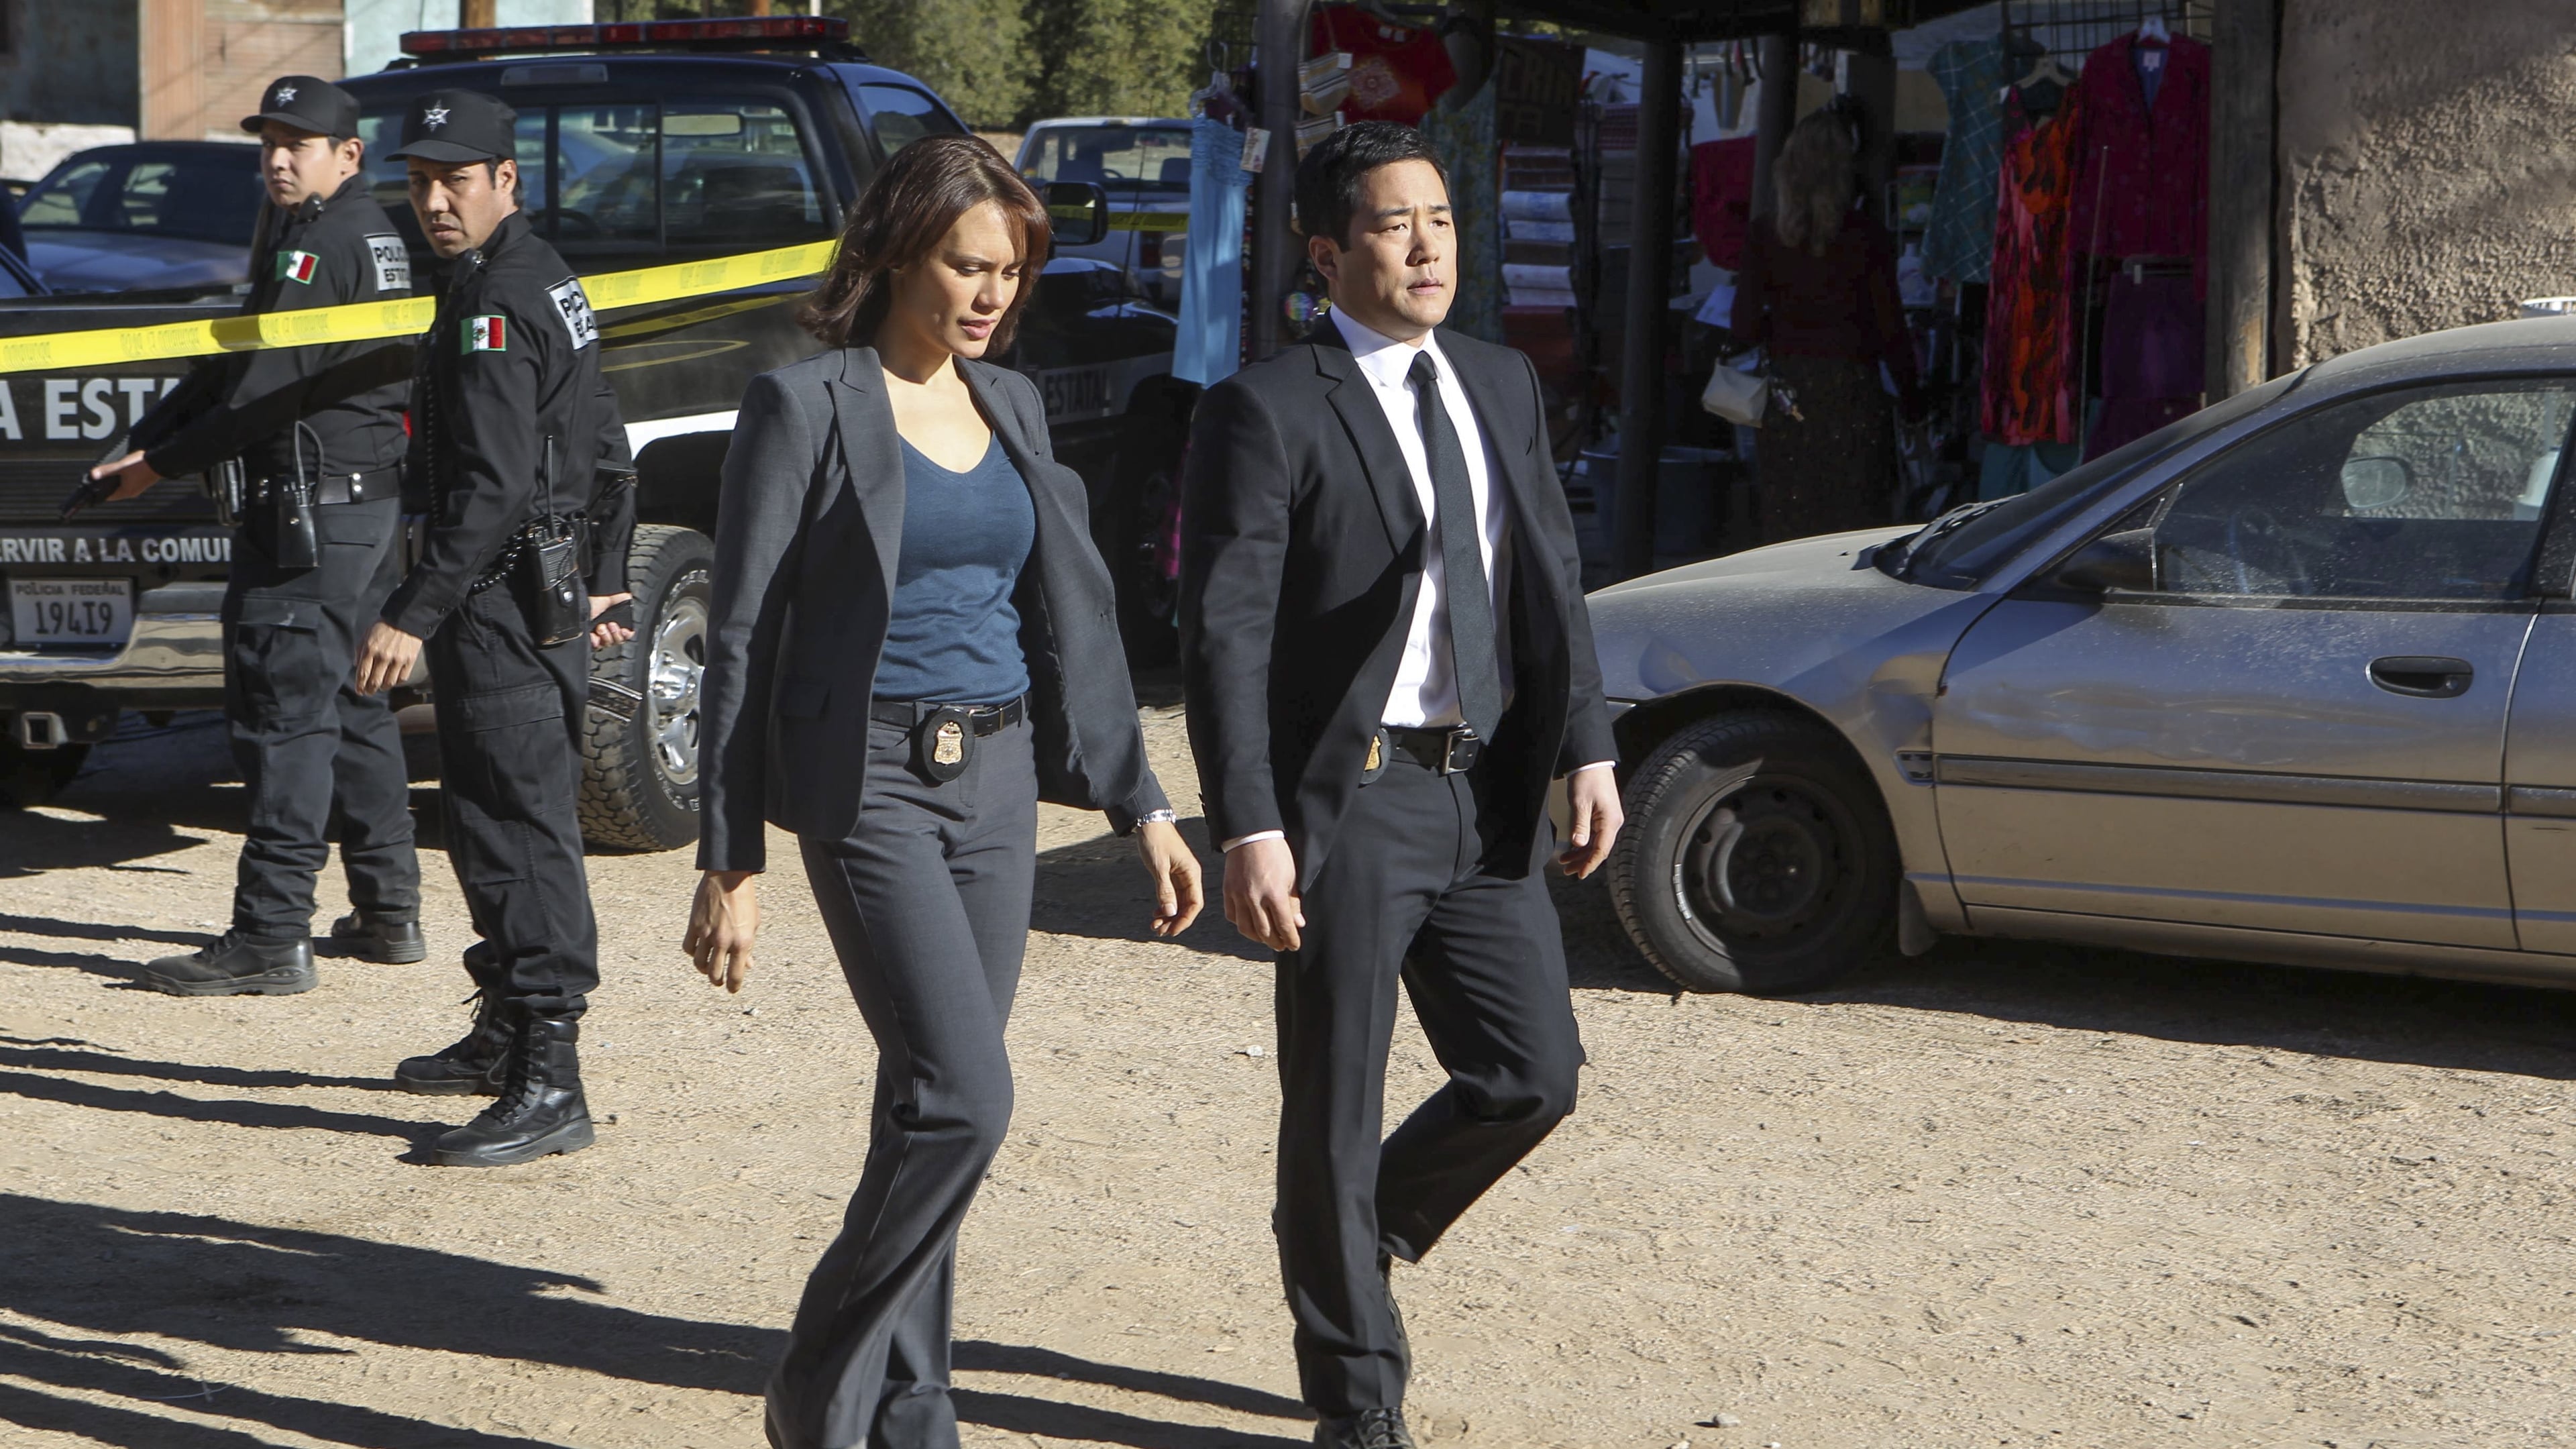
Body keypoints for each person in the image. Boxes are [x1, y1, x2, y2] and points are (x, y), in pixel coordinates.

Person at [680, 135, 1203, 1449]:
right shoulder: (805, 405)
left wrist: (1143, 803)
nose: (992, 294)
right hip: (870, 786)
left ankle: (915, 1412)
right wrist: (730, 859)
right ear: (899, 252)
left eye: (1011, 273)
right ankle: (818, 1387)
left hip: (1001, 779)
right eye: (969, 266)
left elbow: (1075, 614)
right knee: (968, 1097)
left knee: (927, 1106)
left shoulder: (1010, 403)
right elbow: (741, 635)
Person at [1177, 121, 1623, 1449]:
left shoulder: (1499, 379)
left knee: (1533, 1074)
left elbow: (1549, 574)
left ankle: (1347, 1229)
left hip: (1483, 792)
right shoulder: (1266, 408)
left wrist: (1587, 743)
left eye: (1440, 219)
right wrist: (1249, 824)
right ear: (1326, 253)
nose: (1428, 247)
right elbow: (1225, 635)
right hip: (1351, 802)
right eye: (1392, 224)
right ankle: (1357, 1392)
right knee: (1335, 1100)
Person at [87, 75, 423, 997]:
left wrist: (154, 466)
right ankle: (389, 908)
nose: (277, 159)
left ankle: (271, 934)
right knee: (352, 700)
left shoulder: (322, 242)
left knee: (283, 716)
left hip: (311, 518)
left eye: (296, 145)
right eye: (269, 143)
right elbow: (237, 357)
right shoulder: (354, 230)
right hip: (358, 509)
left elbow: (259, 390)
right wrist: (152, 435)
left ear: (348, 155)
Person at [352, 89, 636, 1168]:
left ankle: (550, 1083)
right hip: (534, 593)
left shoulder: (499, 298)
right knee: (485, 819)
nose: (435, 201)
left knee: (517, 830)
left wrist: (412, 611)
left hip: (498, 602)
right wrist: (603, 577)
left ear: (505, 180)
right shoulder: (534, 274)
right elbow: (604, 439)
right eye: (422, 181)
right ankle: (509, 1030)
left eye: (456, 181)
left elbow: (495, 487)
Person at [1729, 107, 1921, 542]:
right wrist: (1913, 401)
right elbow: (1891, 328)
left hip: (1787, 392)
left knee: (1791, 517)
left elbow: (1743, 325)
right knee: (1854, 522)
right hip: (1853, 389)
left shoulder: (1763, 235)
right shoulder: (1865, 235)